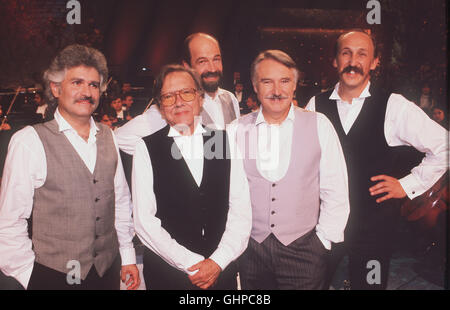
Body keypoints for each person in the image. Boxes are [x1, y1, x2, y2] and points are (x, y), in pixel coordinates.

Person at [306, 30, 448, 290]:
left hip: (374, 230)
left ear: (374, 62)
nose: (353, 61)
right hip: (324, 226)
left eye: (362, 54)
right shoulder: (315, 105)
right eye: (346, 53)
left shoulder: (394, 106)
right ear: (335, 60)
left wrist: (406, 185)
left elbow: (444, 145)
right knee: (311, 285)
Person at [0, 44, 140, 290]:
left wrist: (127, 256)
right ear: (55, 88)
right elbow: (9, 221)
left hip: (107, 272)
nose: (87, 92)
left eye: (93, 85)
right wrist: (28, 275)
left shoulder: (109, 137)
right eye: (77, 82)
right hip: (53, 277)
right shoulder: (29, 141)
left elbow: (120, 202)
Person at [229, 50, 350, 290]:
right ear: (255, 86)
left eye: (284, 81)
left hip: (304, 251)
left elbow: (335, 189)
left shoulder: (319, 124)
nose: (277, 90)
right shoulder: (235, 130)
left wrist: (322, 242)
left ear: (294, 85)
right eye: (267, 81)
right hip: (251, 250)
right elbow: (228, 194)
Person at [132, 64, 251, 290]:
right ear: (159, 105)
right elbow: (144, 222)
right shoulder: (145, 148)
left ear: (200, 98)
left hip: (221, 273)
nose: (178, 102)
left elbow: (241, 212)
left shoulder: (224, 141)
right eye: (168, 96)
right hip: (168, 277)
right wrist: (192, 264)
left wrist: (218, 261)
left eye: (186, 92)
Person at [115, 33, 240, 155]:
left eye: (216, 59)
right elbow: (120, 138)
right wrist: (166, 157)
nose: (212, 68)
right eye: (202, 61)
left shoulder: (230, 99)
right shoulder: (176, 105)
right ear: (186, 66)